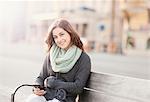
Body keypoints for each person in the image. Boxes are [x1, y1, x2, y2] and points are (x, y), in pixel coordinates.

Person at [26, 18, 91, 102]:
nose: (59, 40)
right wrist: (37, 87)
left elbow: (78, 87)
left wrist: (55, 84)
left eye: (62, 34)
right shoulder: (51, 54)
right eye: (55, 37)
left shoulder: (83, 58)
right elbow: (41, 77)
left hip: (64, 100)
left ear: (70, 33)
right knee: (32, 99)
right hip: (46, 96)